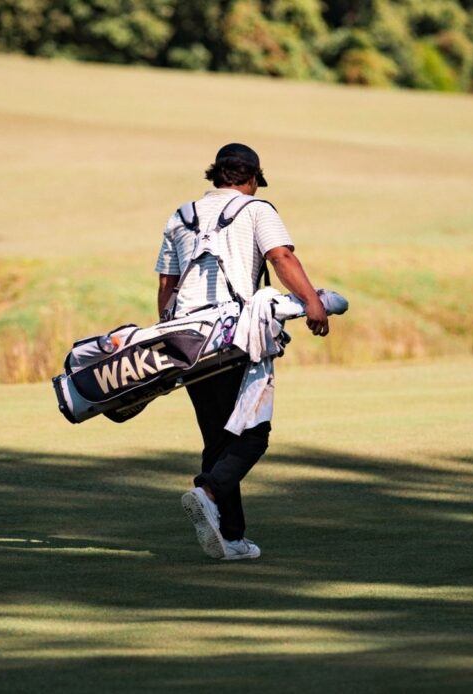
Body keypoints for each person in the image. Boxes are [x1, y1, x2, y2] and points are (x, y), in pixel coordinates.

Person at [155, 143, 329, 561]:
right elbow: (281, 256)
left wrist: (168, 341)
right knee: (252, 436)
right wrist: (312, 302)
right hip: (234, 339)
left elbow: (167, 285)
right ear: (251, 178)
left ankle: (231, 538)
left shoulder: (181, 216)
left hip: (185, 340)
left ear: (214, 176)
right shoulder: (257, 210)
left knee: (218, 438)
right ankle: (209, 491)